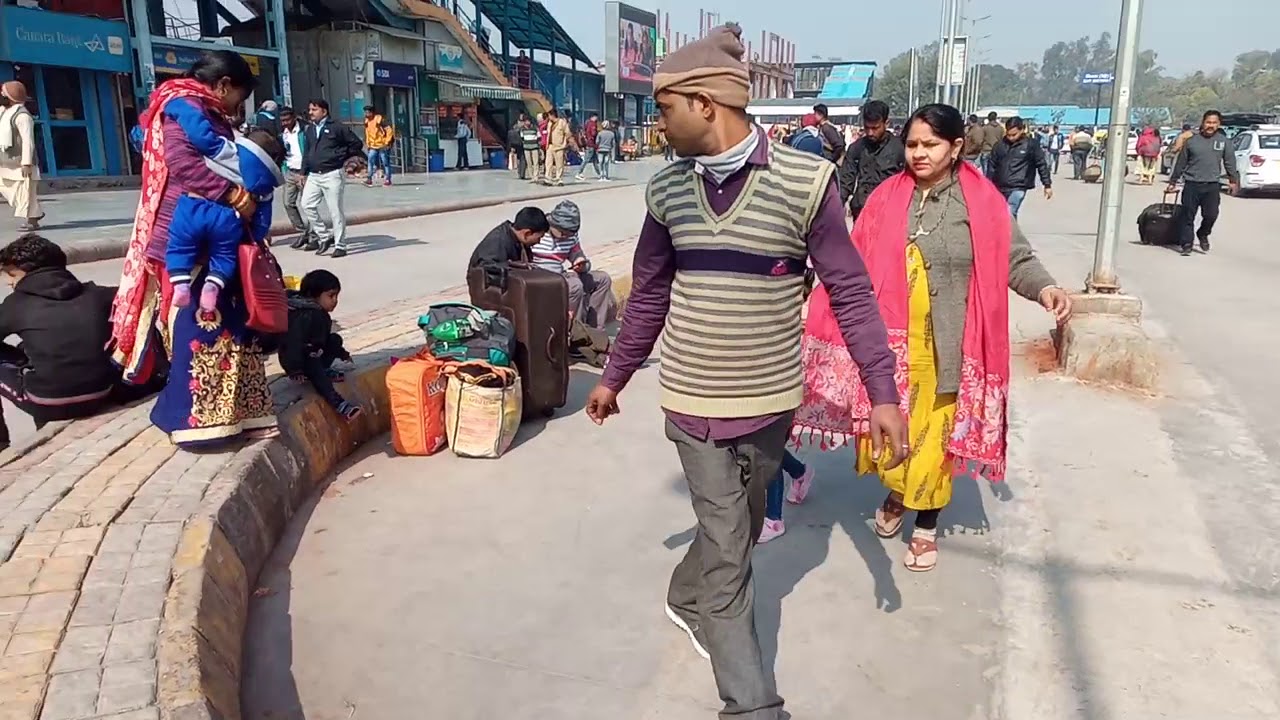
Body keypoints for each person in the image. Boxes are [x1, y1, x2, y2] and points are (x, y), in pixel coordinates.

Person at [583, 24, 906, 718]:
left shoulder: (804, 181)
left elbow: (849, 290)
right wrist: (616, 375)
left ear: (704, 103)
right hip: (692, 402)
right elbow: (649, 293)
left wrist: (883, 390)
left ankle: (681, 592)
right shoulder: (666, 193)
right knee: (732, 550)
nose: (656, 122)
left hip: (768, 403)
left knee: (744, 517)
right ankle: (753, 703)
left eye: (663, 108)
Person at [797, 103, 1071, 572]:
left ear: (956, 147)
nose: (919, 154)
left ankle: (925, 524)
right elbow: (852, 261)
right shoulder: (885, 197)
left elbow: (1016, 258)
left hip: (951, 345)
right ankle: (900, 491)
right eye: (912, 145)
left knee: (936, 439)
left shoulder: (982, 203)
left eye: (931, 145)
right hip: (891, 345)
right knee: (892, 434)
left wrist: (1044, 287)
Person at [112, 50, 278, 444]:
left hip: (219, 236)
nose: (239, 107)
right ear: (223, 85)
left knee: (234, 327)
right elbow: (183, 165)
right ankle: (196, 423)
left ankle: (240, 414)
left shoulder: (205, 111)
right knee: (201, 329)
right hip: (188, 239)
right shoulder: (181, 108)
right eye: (238, 95)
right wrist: (235, 196)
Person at [0, 235, 158, 449]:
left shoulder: (16, 304)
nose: (8, 281)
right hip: (102, 390)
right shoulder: (98, 295)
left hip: (49, 402)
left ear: (25, 272)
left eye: (10, 274)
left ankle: (1, 445)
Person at [166, 129, 285, 312]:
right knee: (224, 255)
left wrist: (180, 110)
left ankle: (181, 284)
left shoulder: (226, 151)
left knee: (179, 245)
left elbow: (200, 135)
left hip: (193, 207)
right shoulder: (265, 184)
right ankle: (213, 285)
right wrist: (257, 232)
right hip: (227, 218)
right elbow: (262, 223)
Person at [281, 269, 361, 420]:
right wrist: (295, 370)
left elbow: (324, 339)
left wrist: (343, 354)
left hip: (315, 353)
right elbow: (293, 343)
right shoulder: (303, 315)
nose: (335, 300)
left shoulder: (318, 313)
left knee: (335, 339)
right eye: (331, 296)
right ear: (313, 295)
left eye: (337, 296)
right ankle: (340, 405)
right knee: (315, 370)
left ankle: (324, 370)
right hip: (300, 359)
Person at [1168, 109, 1239, 256]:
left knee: (1211, 215)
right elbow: (1181, 162)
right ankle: (1186, 244)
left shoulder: (1224, 142)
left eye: (1214, 123)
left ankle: (1203, 233)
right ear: (1203, 123)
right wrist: (1173, 181)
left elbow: (1230, 162)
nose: (1210, 125)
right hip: (1192, 184)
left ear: (1219, 124)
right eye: (1208, 122)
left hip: (1212, 185)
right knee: (1188, 216)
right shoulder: (1191, 142)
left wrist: (1233, 180)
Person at [536, 200, 616, 329]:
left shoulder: (571, 236)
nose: (564, 237)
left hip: (561, 275)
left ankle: (594, 329)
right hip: (542, 278)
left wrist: (581, 264)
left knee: (603, 279)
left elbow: (578, 255)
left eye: (568, 235)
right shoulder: (538, 232)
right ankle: (575, 332)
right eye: (562, 233)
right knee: (575, 285)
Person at [300, 98, 363, 258]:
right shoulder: (310, 130)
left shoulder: (337, 127)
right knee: (306, 204)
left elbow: (356, 143)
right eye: (310, 110)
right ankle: (325, 236)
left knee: (335, 211)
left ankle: (340, 245)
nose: (310, 113)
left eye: (314, 110)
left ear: (324, 111)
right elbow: (307, 152)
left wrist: (340, 156)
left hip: (332, 174)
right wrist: (303, 172)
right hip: (314, 175)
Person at [838, 99, 905, 221]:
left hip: (888, 213)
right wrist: (835, 208)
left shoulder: (900, 149)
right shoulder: (856, 148)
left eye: (875, 128)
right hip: (861, 212)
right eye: (867, 127)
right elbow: (845, 182)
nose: (870, 133)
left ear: (887, 123)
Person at [987, 116, 1053, 219]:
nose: (1011, 138)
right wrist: (987, 184)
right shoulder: (999, 145)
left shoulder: (1031, 145)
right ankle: (1008, 234)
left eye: (1014, 135)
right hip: (1000, 185)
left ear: (1022, 130)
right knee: (1000, 215)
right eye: (1008, 135)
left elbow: (1041, 164)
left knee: (1010, 213)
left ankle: (1010, 234)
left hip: (1019, 185)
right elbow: (991, 166)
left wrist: (1047, 184)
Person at [0, 81, 42, 231]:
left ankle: (31, 221)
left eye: (4, 93)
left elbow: (27, 141)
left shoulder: (23, 116)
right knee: (7, 187)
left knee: (25, 192)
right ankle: (36, 213)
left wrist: (26, 163)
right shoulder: (3, 112)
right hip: (5, 162)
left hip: (21, 163)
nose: (1, 95)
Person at [468, 206, 549, 277]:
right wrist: (514, 266)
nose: (539, 242)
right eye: (539, 238)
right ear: (527, 233)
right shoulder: (497, 241)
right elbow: (483, 269)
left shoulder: (518, 239)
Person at [280, 107, 316, 250]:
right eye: (282, 120)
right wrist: (284, 169)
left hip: (304, 172)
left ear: (294, 118)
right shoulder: (282, 133)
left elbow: (310, 151)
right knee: (288, 203)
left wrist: (306, 171)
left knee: (307, 204)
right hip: (289, 171)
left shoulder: (305, 130)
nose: (285, 123)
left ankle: (314, 236)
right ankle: (303, 232)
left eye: (287, 120)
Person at [363, 105, 395, 187]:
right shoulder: (366, 121)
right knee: (370, 161)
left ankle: (388, 179)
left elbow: (389, 130)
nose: (366, 114)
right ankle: (369, 179)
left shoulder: (379, 120)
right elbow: (367, 133)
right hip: (373, 145)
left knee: (385, 162)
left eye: (368, 112)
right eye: (365, 112)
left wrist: (387, 142)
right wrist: (368, 144)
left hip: (382, 145)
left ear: (372, 112)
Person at [544, 109, 570, 186]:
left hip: (559, 146)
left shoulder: (562, 122)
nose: (548, 117)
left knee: (559, 164)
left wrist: (564, 144)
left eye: (549, 116)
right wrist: (546, 145)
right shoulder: (549, 123)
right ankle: (548, 179)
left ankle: (559, 179)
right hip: (550, 146)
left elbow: (567, 133)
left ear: (552, 115)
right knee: (548, 163)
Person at [575, 112, 600, 181]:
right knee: (586, 159)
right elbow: (593, 133)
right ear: (593, 117)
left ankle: (599, 173)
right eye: (596, 117)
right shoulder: (592, 124)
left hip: (589, 144)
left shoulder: (587, 123)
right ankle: (579, 172)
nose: (597, 119)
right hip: (591, 144)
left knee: (595, 160)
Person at [522, 115, 542, 182]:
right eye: (526, 121)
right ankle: (532, 177)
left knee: (536, 162)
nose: (527, 122)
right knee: (529, 162)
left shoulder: (535, 128)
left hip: (534, 147)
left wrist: (539, 147)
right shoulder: (522, 129)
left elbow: (539, 138)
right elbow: (522, 138)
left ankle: (536, 176)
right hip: (526, 148)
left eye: (528, 121)